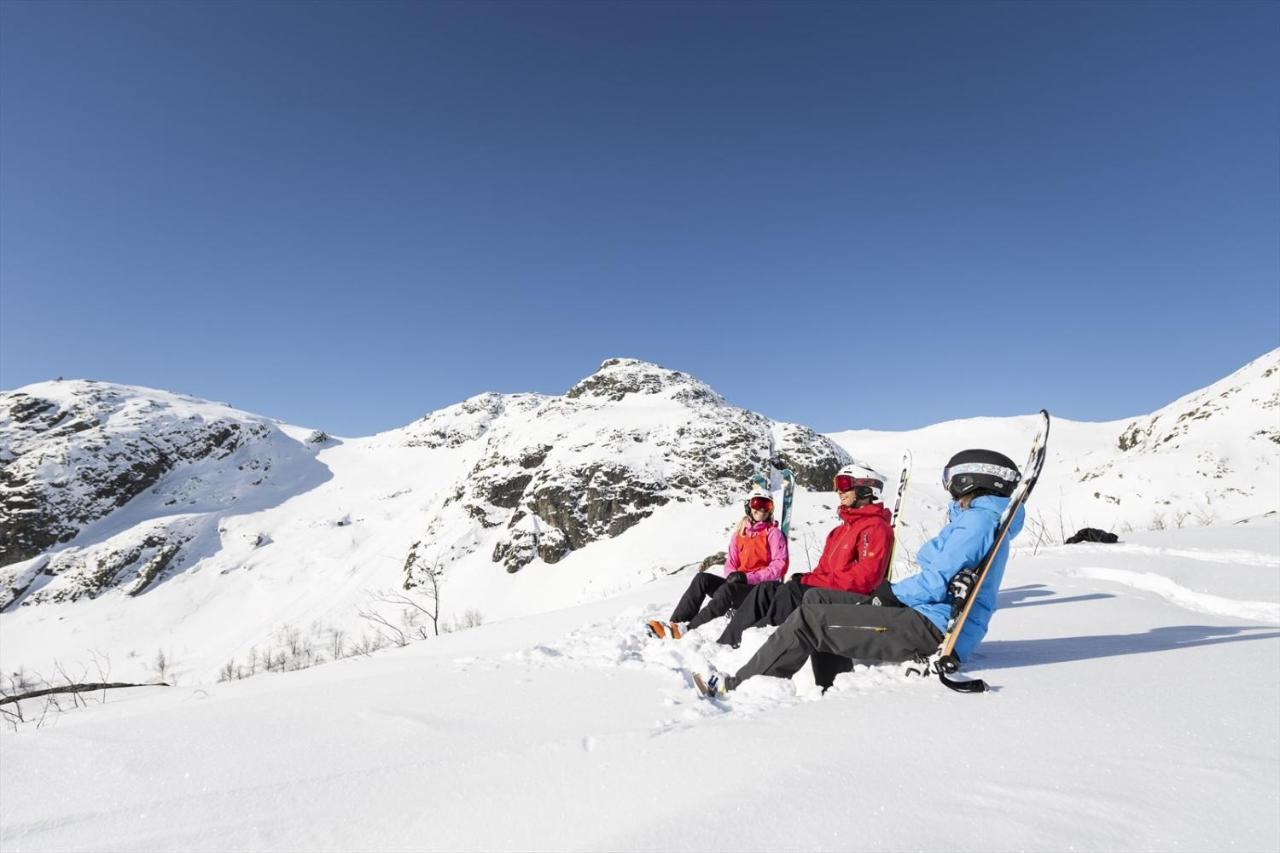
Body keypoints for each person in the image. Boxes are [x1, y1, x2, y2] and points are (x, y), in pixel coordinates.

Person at [706, 448, 1025, 694]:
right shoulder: (975, 520)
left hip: (931, 627)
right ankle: (833, 688)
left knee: (809, 620)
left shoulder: (976, 522)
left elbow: (935, 582)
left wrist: (892, 593)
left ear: (971, 478)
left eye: (951, 476)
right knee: (816, 601)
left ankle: (740, 688)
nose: (947, 485)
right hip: (927, 615)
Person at [714, 461, 893, 648]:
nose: (838, 491)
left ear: (867, 488)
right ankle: (727, 642)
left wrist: (810, 582)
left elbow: (865, 579)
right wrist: (806, 578)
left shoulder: (876, 528)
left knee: (790, 592)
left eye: (844, 484)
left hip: (848, 596)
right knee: (766, 589)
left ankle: (756, 642)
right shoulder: (839, 532)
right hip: (827, 589)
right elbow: (822, 570)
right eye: (836, 484)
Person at [646, 485, 788, 639]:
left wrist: (747, 578)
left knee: (727, 591)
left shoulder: (773, 534)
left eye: (766, 505)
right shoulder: (739, 535)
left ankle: (687, 629)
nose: (761, 509)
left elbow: (779, 565)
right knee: (702, 579)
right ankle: (675, 623)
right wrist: (732, 576)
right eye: (757, 503)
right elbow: (731, 563)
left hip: (757, 592)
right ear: (748, 506)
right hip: (738, 586)